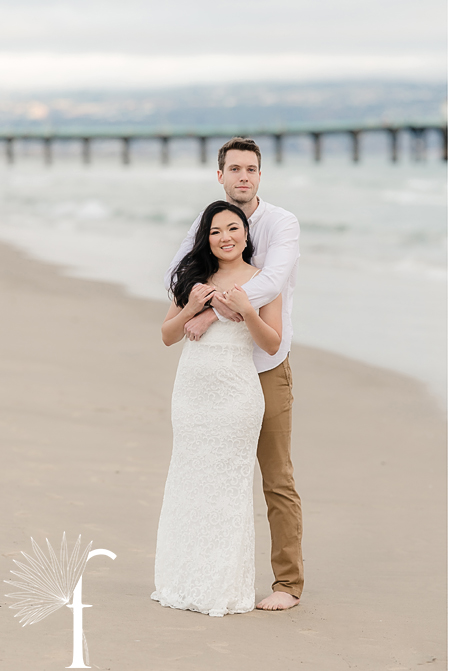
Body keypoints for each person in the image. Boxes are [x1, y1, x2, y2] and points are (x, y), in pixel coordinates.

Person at [164, 137, 304, 611]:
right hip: (207, 376)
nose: (243, 176)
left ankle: (288, 584)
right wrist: (191, 307)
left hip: (264, 365)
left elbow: (268, 282)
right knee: (208, 473)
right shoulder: (208, 222)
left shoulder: (281, 223)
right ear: (219, 175)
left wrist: (210, 315)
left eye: (252, 169)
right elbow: (178, 273)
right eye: (235, 169)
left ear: (260, 176)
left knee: (275, 475)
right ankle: (200, 568)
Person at [154, 200, 282, 616]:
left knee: (227, 488)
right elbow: (168, 336)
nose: (224, 237)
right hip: (191, 393)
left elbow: (272, 344)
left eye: (232, 228)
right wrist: (193, 307)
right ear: (205, 239)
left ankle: (222, 586)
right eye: (215, 231)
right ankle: (183, 578)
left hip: (236, 395)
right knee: (190, 480)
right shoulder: (193, 277)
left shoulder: (263, 282)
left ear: (246, 233)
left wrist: (246, 311)